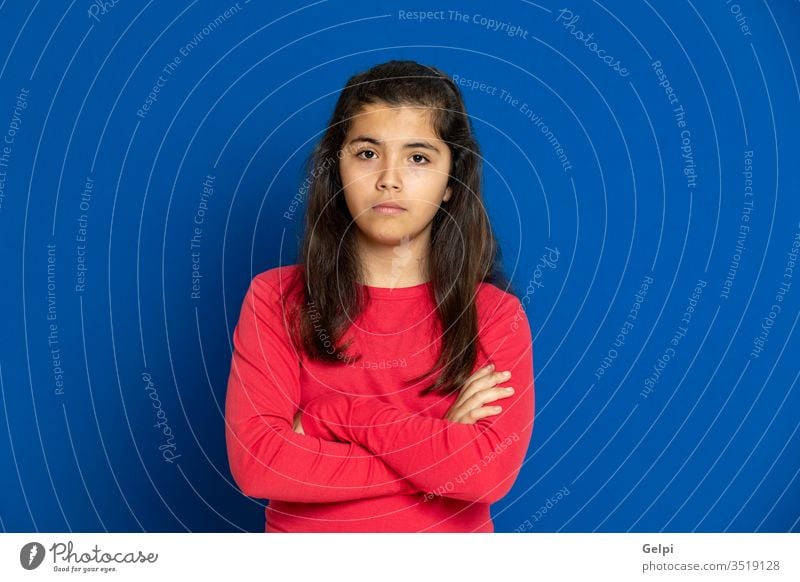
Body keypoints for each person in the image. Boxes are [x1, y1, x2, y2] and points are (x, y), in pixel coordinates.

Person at [224, 59, 535, 532]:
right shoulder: (275, 299)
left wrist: (335, 417)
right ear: (336, 167)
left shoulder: (494, 315)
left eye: (418, 157)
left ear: (452, 181)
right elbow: (259, 465)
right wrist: (437, 448)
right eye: (367, 153)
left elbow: (487, 474)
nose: (389, 178)